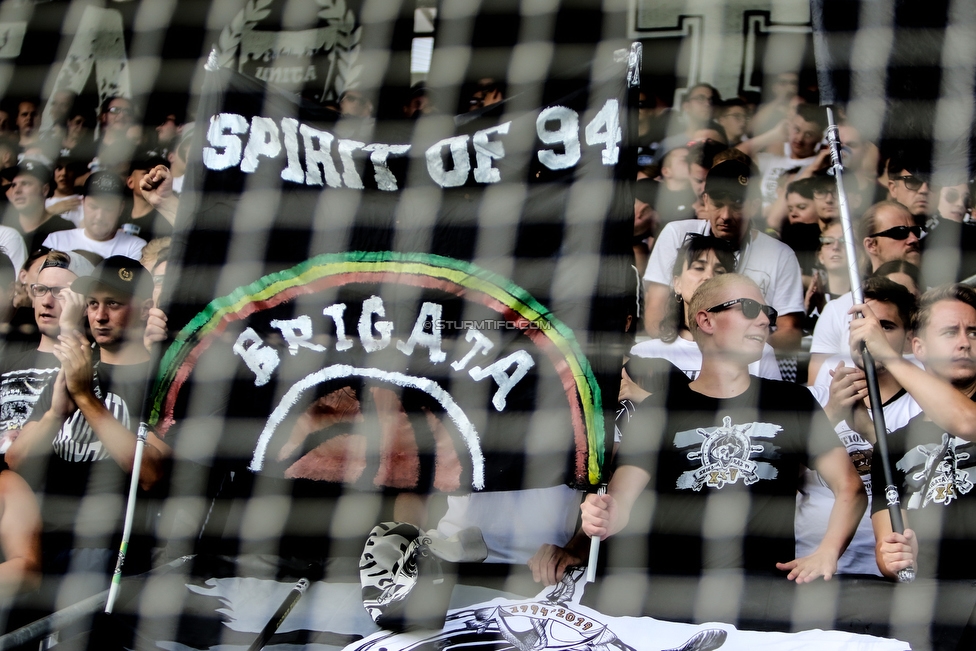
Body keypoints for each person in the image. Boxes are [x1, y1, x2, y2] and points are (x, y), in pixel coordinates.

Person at [530, 274, 865, 630]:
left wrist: (827, 552)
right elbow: (621, 502)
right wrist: (600, 518)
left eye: (768, 311)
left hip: (756, 606)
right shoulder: (662, 407)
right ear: (705, 320)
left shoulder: (792, 400)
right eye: (749, 308)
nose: (765, 320)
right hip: (668, 605)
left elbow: (851, 488)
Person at [6, 256, 169, 575]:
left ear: (146, 307)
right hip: (43, 541)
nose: (100, 315)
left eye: (114, 304)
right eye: (93, 304)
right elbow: (16, 460)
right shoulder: (75, 369)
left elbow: (151, 473)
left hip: (108, 547)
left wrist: (85, 397)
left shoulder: (161, 379)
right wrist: (55, 413)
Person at [799, 278, 919, 577]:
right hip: (809, 568)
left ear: (909, 339)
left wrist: (872, 433)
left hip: (889, 570)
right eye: (860, 322)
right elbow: (777, 478)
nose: (869, 334)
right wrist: (831, 415)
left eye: (885, 327)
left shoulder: (924, 402)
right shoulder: (811, 398)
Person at [643, 157, 805, 351]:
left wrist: (736, 351)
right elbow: (655, 313)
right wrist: (686, 353)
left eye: (737, 205)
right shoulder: (676, 235)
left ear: (753, 205)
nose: (726, 215)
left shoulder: (780, 254)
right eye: (718, 203)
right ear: (705, 201)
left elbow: (790, 332)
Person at [631, 234, 781, 380]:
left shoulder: (758, 351)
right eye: (698, 268)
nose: (709, 277)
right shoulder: (645, 354)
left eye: (720, 271)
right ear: (677, 284)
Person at [807, 201, 923, 382]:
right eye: (899, 232)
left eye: (916, 231)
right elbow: (818, 388)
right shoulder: (838, 309)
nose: (913, 239)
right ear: (871, 245)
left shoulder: (941, 305)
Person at [0, 250, 93, 453]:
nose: (46, 301)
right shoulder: (4, 365)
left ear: (86, 304)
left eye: (60, 292)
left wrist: (69, 326)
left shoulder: (95, 366)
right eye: (40, 290)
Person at [737, 103, 827, 211]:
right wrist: (774, 134)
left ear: (819, 137)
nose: (799, 138)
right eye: (796, 130)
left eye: (808, 135)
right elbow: (731, 157)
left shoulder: (818, 165)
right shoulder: (773, 160)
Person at [42, 171, 146, 260]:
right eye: (93, 207)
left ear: (121, 208)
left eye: (108, 209)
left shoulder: (135, 247)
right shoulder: (56, 241)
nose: (99, 216)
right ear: (82, 202)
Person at [1, 160, 73, 254]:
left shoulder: (63, 229)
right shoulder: (4, 224)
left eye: (25, 183)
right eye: (14, 185)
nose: (16, 191)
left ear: (45, 190)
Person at [118, 150, 172, 242]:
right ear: (130, 182)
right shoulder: (118, 213)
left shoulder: (164, 220)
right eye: (146, 172)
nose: (154, 177)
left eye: (158, 173)